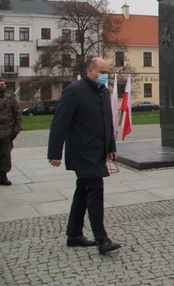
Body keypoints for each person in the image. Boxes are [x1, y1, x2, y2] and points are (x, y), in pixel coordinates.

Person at [47, 58, 121, 255]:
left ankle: (74, 234)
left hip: (97, 151)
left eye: (107, 71)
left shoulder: (102, 91)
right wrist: (55, 153)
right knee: (95, 189)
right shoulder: (75, 90)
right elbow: (60, 123)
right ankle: (102, 239)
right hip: (82, 151)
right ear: (90, 70)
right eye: (102, 71)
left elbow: (108, 121)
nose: (105, 75)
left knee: (83, 190)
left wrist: (111, 146)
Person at [0, 77, 22, 187]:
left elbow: (17, 115)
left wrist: (16, 131)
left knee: (6, 155)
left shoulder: (11, 100)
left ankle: (4, 176)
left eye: (2, 84)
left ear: (5, 85)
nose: (0, 85)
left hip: (7, 133)